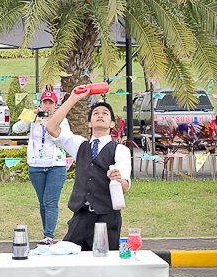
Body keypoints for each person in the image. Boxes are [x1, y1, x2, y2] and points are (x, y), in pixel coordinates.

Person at [46, 87, 131, 251]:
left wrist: (118, 179)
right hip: (81, 215)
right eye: (96, 113)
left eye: (105, 113)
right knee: (68, 261)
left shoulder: (120, 150)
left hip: (107, 216)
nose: (100, 115)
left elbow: (125, 187)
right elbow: (51, 127)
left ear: (112, 124)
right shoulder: (79, 144)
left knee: (105, 266)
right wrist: (73, 99)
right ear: (89, 123)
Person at [12, 90, 70, 245]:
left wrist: (52, 124)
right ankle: (47, 235)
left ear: (56, 105)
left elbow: (64, 140)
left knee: (51, 201)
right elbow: (16, 129)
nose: (47, 106)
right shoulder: (34, 118)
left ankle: (49, 235)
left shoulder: (62, 120)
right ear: (41, 104)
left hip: (55, 167)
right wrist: (31, 116)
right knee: (43, 202)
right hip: (36, 166)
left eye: (51, 103)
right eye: (45, 102)